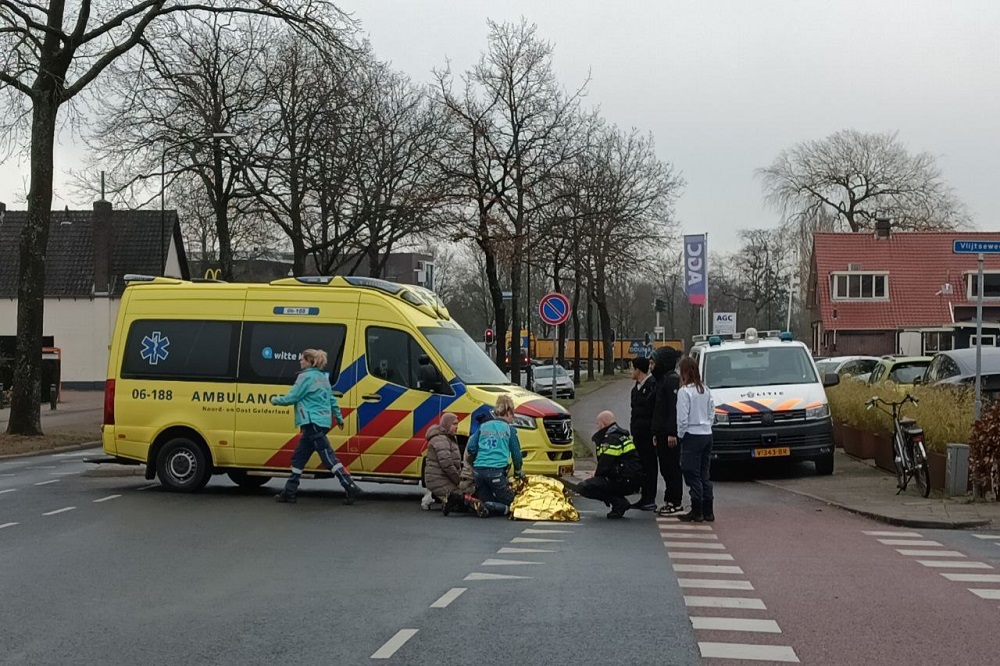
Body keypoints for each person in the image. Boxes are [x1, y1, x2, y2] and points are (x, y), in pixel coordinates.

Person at [271, 349, 364, 505]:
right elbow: (332, 400)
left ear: (310, 361)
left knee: (328, 458)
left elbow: (293, 397)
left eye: (302, 359)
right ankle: (289, 491)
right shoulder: (322, 378)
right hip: (321, 423)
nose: (300, 361)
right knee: (299, 457)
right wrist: (339, 417)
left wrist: (275, 400)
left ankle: (350, 486)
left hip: (312, 422)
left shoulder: (305, 377)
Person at [465, 395, 524, 517]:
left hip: (478, 472)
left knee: (485, 501)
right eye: (513, 414)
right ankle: (498, 507)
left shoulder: (484, 426)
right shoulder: (509, 429)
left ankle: (473, 502)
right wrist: (518, 471)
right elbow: (516, 455)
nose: (513, 418)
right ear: (508, 412)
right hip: (496, 472)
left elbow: (471, 447)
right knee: (512, 503)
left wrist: (481, 456)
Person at [576, 411, 642, 519]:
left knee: (585, 487)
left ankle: (619, 503)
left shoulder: (611, 440)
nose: (597, 427)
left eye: (597, 424)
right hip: (629, 478)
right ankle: (619, 501)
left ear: (603, 424)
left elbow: (605, 464)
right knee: (599, 482)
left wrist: (596, 474)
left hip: (624, 479)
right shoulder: (620, 436)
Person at [676, 356, 715, 522]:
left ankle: (696, 510)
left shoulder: (684, 392)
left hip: (692, 435)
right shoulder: (705, 389)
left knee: (691, 473)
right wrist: (707, 425)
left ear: (684, 372)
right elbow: (712, 411)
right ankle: (708, 510)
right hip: (707, 434)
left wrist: (680, 435)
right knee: (704, 473)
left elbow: (682, 418)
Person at [650, 346, 684, 516]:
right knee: (665, 467)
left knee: (672, 468)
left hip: (669, 434)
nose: (651, 366)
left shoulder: (671, 380)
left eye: (654, 363)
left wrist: (672, 432)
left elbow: (673, 409)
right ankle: (669, 500)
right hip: (662, 433)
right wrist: (656, 433)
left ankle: (675, 502)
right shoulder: (662, 380)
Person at [629, 356, 658, 511]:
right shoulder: (635, 389)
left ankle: (650, 498)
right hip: (638, 434)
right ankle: (644, 497)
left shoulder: (652, 386)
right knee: (641, 465)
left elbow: (655, 412)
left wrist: (654, 432)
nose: (630, 372)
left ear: (638, 370)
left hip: (648, 435)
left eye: (632, 368)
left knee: (650, 466)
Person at [424, 413, 466, 515]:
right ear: (447, 425)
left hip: (442, 478)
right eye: (454, 424)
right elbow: (446, 464)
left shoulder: (448, 437)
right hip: (438, 478)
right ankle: (437, 498)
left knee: (463, 496)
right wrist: (458, 481)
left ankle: (435, 497)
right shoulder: (441, 440)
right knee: (461, 501)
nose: (457, 427)